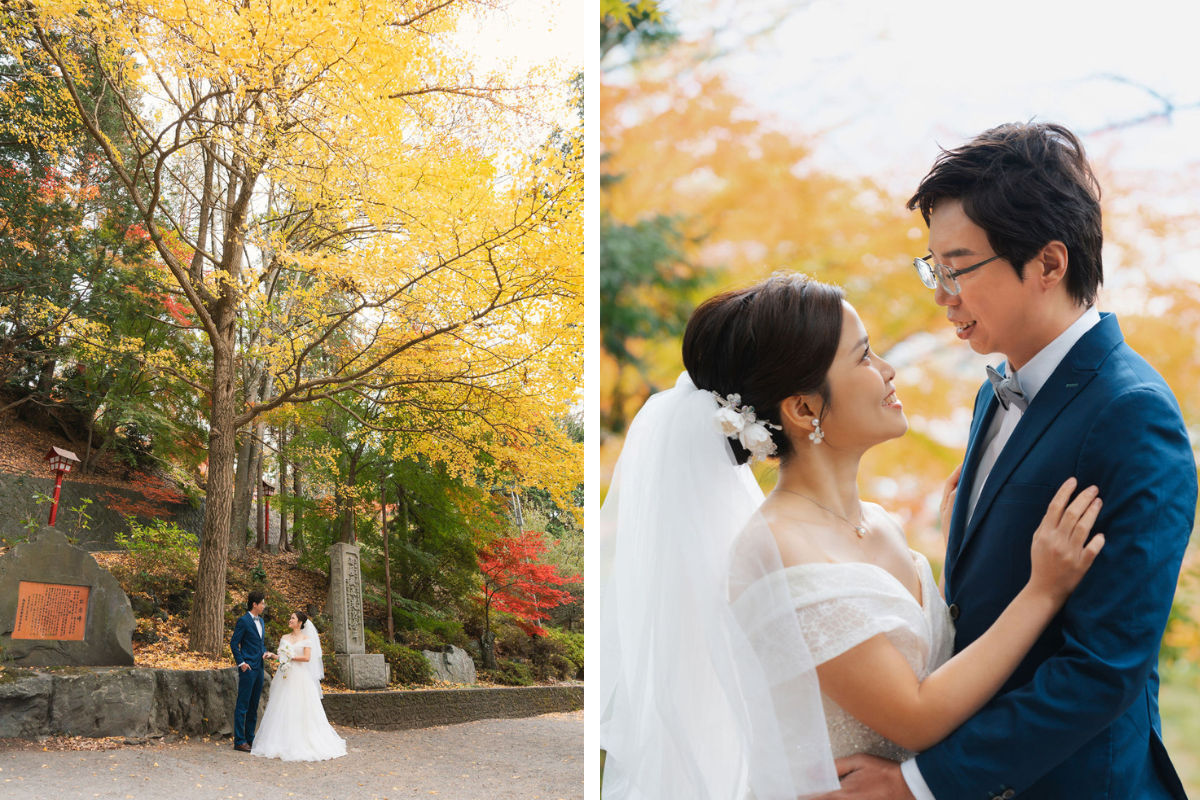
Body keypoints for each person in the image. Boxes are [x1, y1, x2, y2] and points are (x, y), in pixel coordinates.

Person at [599, 272, 1105, 800]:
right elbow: (915, 717)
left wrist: (960, 547)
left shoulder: (882, 523)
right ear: (803, 409)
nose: (887, 371)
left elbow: (930, 658)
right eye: (863, 357)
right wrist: (1043, 590)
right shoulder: (776, 548)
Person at [827, 123, 1194, 800]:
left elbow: (1105, 665)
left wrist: (918, 784)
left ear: (1049, 264)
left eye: (958, 267)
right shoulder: (989, 396)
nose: (942, 293)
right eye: (932, 268)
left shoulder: (1132, 413)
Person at [251, 611, 347, 762]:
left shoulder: (306, 639)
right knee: (283, 706)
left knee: (301, 707)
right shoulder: (284, 638)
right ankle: (282, 742)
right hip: (286, 676)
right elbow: (281, 657)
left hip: (300, 677)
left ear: (300, 622)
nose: (290, 620)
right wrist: (272, 656)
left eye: (293, 618)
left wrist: (291, 657)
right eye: (290, 617)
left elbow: (307, 658)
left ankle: (303, 741)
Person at [230, 590, 276, 752]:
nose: (264, 606)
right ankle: (239, 741)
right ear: (254, 604)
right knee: (242, 705)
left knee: (254, 705)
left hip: (259, 668)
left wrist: (264, 651)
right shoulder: (243, 621)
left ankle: (250, 738)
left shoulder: (261, 622)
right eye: (262, 603)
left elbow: (259, 642)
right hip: (248, 668)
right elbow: (234, 643)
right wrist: (241, 663)